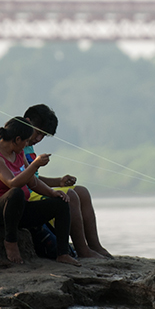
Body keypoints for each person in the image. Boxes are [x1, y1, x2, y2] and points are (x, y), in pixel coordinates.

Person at [0, 117, 79, 266]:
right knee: (16, 193)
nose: (27, 145)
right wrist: (36, 164)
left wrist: (52, 193)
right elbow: (12, 183)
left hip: (19, 209)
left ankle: (63, 253)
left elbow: (32, 181)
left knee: (61, 204)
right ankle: (11, 242)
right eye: (25, 141)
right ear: (17, 139)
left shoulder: (18, 153)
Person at [22, 104, 112, 259]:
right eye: (38, 133)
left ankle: (95, 246)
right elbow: (24, 180)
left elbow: (34, 178)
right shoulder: (15, 144)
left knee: (82, 192)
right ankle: (83, 250)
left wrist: (59, 182)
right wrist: (37, 166)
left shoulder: (28, 147)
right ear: (27, 122)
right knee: (70, 196)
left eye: (42, 136)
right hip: (27, 196)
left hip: (35, 189)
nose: (38, 139)